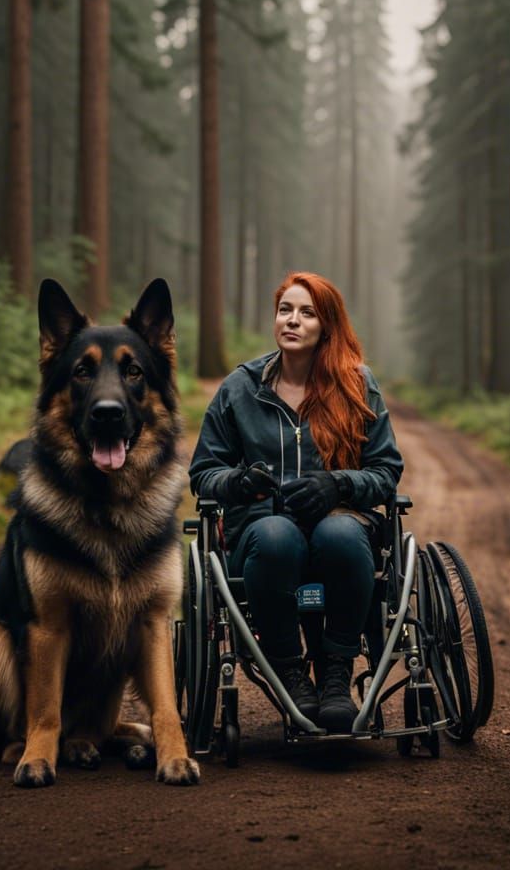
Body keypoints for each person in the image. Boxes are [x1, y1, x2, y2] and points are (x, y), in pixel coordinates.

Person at [189, 271, 403, 733]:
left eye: (307, 313)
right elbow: (203, 473)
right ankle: (290, 671)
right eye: (285, 310)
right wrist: (239, 482)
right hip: (261, 540)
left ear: (326, 326)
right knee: (276, 534)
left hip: (343, 533)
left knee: (340, 532)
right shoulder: (240, 388)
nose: (292, 320)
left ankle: (335, 673)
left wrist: (339, 485)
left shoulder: (357, 385)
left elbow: (386, 472)